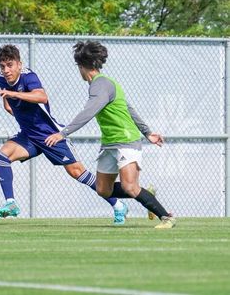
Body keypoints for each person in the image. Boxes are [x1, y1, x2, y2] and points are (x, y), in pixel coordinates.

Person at [44, 41, 176, 229]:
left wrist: (62, 133)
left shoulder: (100, 85)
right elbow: (129, 108)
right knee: (102, 190)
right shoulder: (106, 83)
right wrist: (148, 133)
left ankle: (167, 217)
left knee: (130, 187)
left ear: (81, 67)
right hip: (109, 143)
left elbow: (89, 111)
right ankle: (146, 194)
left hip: (125, 140)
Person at [0, 44, 127, 224]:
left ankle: (117, 204)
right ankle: (11, 203)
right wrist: (12, 105)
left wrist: (13, 94)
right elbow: (9, 104)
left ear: (19, 64)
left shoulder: (29, 77)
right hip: (28, 136)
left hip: (50, 134)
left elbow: (41, 97)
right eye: (3, 66)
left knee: (77, 172)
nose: (6, 70)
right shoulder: (0, 79)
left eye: (10, 65)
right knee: (2, 155)